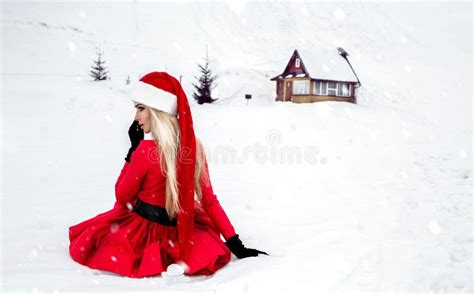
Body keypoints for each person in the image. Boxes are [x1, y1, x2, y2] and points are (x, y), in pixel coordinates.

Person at [68, 71, 268, 278]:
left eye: (140, 108)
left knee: (97, 238)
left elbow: (122, 196)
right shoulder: (194, 148)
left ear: (158, 111)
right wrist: (235, 243)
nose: (136, 117)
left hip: (144, 235)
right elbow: (209, 200)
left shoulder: (145, 152)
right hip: (180, 233)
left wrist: (132, 151)